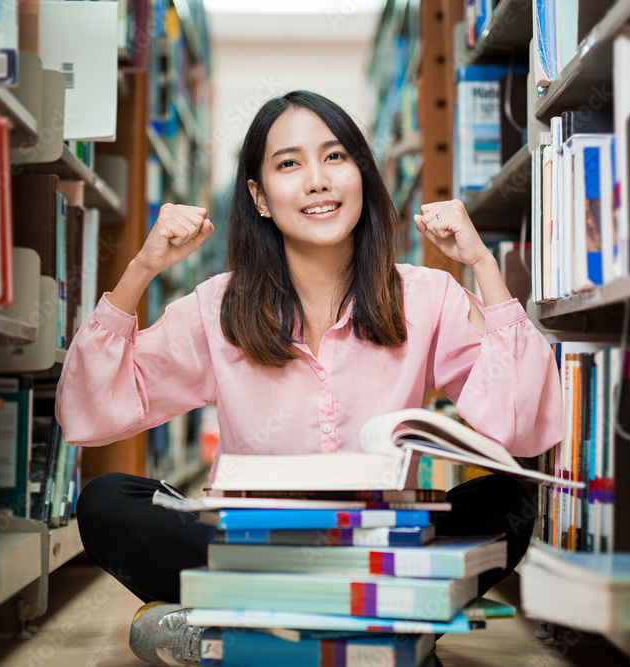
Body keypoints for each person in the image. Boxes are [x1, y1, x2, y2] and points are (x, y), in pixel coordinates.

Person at [55, 90, 562, 666]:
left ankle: (249, 632)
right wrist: (142, 267)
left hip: (382, 551)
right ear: (260, 197)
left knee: (508, 501)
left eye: (336, 156)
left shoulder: (428, 295)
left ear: (363, 178)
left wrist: (482, 265)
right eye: (289, 164)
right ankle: (372, 634)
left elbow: (523, 429)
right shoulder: (217, 307)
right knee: (106, 501)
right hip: (254, 551)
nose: (317, 180)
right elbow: (89, 414)